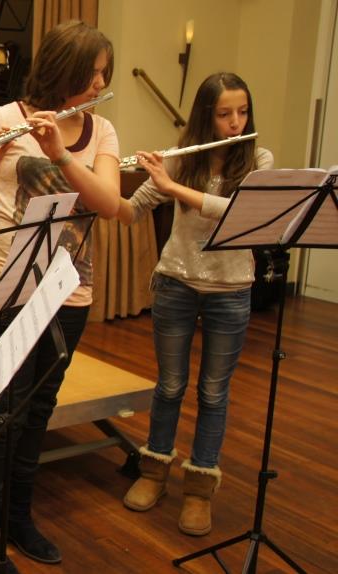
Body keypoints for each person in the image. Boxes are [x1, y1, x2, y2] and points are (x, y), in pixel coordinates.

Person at [0, 20, 120, 574]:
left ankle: (19, 519)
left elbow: (109, 204)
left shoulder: (102, 130)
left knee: (38, 411)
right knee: (2, 414)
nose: (100, 85)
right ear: (63, 72)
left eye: (104, 75)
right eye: (92, 74)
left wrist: (61, 154)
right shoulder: (3, 118)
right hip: (4, 280)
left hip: (71, 288)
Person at [119, 72, 272, 536]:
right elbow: (130, 210)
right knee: (169, 386)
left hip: (231, 289)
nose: (235, 122)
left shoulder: (259, 160)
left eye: (242, 112)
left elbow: (238, 213)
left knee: (213, 392)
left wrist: (172, 187)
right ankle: (154, 472)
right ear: (206, 117)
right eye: (224, 114)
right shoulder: (181, 160)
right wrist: (93, 176)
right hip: (176, 283)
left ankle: (200, 488)